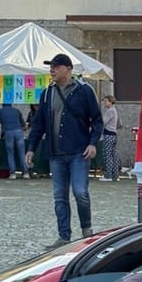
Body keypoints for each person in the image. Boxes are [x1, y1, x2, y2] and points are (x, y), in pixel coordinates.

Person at [26, 54, 103, 246]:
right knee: (59, 196)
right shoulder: (47, 93)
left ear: (68, 69)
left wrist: (93, 143)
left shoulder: (84, 91)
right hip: (56, 153)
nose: (52, 69)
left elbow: (97, 120)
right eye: (51, 66)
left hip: (79, 151)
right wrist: (31, 149)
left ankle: (87, 229)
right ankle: (64, 237)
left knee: (80, 192)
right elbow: (39, 125)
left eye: (56, 66)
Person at [0, 99, 29, 179]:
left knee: (10, 153)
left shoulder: (0, 111)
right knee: (22, 152)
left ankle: (13, 173)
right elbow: (23, 125)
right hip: (18, 132)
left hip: (8, 132)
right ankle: (26, 173)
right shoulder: (17, 111)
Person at [98, 95, 120, 181]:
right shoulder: (114, 110)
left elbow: (103, 121)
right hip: (114, 135)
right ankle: (115, 175)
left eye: (106, 101)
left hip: (108, 134)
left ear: (111, 102)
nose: (104, 103)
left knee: (108, 155)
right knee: (113, 155)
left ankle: (108, 176)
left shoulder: (110, 111)